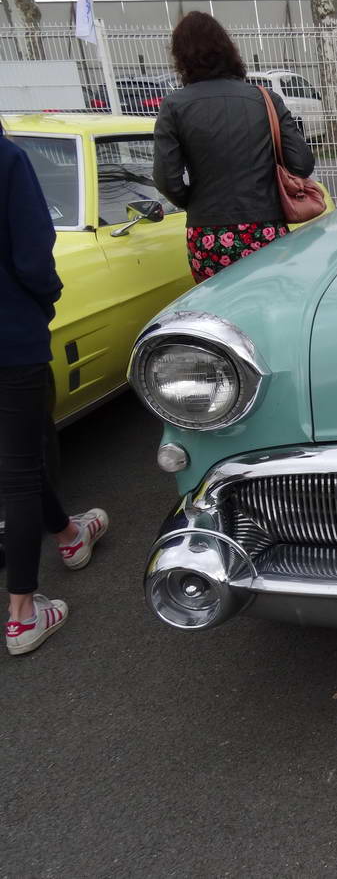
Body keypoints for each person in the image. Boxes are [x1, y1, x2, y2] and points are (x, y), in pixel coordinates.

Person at [1, 126, 108, 656]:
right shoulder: (7, 159)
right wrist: (44, 302)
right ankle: (22, 614)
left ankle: (69, 533)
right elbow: (33, 259)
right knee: (20, 470)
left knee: (19, 454)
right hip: (10, 336)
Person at [153, 11, 315, 283]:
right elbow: (302, 163)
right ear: (228, 51)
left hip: (207, 234)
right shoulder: (266, 100)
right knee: (272, 300)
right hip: (264, 228)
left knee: (217, 306)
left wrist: (196, 201)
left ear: (180, 58)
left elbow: (166, 179)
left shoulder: (174, 106)